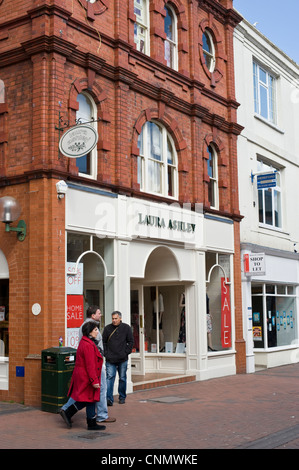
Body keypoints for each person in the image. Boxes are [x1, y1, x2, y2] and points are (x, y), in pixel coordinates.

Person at [60, 306, 116, 424]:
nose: (101, 315)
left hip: (92, 365)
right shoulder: (89, 333)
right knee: (97, 390)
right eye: (99, 313)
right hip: (95, 365)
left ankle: (68, 410)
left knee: (85, 393)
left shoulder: (86, 329)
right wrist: (94, 379)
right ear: (93, 315)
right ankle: (100, 415)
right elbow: (91, 361)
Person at [59, 321, 106, 431]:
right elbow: (90, 365)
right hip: (86, 377)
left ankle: (90, 423)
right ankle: (69, 413)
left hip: (84, 376)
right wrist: (94, 381)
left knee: (89, 399)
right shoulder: (88, 345)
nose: (97, 332)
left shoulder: (85, 342)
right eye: (95, 330)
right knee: (88, 399)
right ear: (89, 332)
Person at [102, 311, 134, 406]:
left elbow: (131, 341)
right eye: (113, 318)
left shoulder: (126, 328)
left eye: (116, 318)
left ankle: (122, 397)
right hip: (110, 359)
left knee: (123, 378)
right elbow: (103, 343)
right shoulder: (107, 328)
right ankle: (109, 399)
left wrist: (126, 352)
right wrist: (106, 354)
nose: (114, 320)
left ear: (120, 318)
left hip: (122, 358)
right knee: (109, 378)